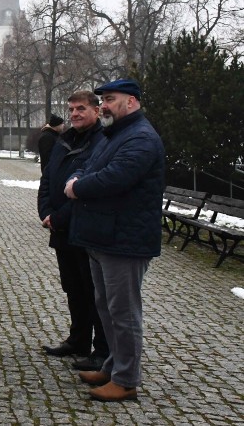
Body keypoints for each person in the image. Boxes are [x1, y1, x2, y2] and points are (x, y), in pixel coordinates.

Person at [64, 79, 164, 402]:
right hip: (104, 237)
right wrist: (75, 178)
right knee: (105, 307)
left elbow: (115, 178)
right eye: (103, 99)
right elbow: (87, 166)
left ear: (131, 102)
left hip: (125, 240)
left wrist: (78, 188)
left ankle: (126, 380)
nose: (104, 105)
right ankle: (112, 366)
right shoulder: (115, 134)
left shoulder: (142, 138)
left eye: (109, 99)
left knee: (123, 312)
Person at [38, 90, 109, 371]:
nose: (75, 114)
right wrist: (45, 212)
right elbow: (48, 178)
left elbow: (89, 186)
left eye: (81, 108)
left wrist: (59, 217)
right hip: (61, 229)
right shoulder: (63, 140)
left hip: (84, 227)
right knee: (72, 287)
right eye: (71, 109)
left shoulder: (102, 141)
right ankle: (78, 339)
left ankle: (100, 349)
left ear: (96, 110)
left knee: (93, 290)